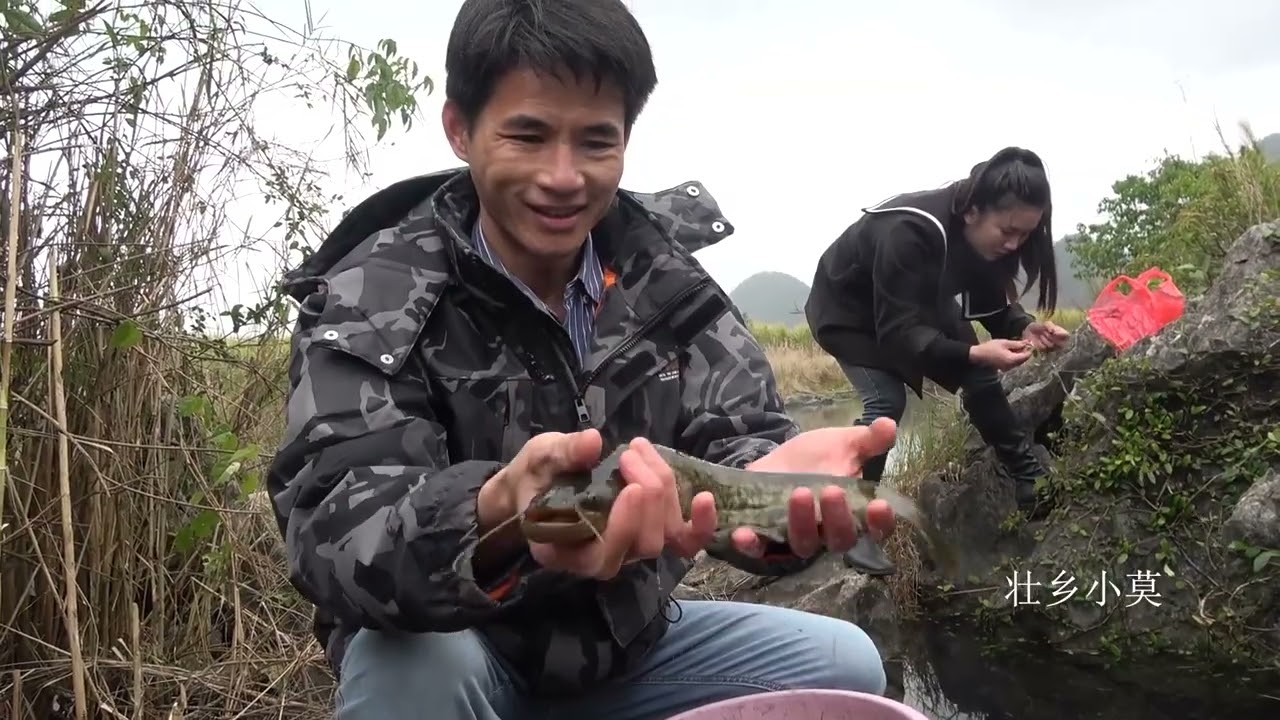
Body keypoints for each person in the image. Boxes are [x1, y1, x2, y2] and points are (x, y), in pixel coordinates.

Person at [265, 1, 903, 718]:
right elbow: (334, 534)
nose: (564, 177)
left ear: (627, 139)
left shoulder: (670, 286)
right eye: (528, 135)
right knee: (406, 664)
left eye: (596, 142)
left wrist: (777, 492)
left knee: (847, 664)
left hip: (626, 650)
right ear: (459, 129)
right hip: (462, 652)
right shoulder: (371, 294)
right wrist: (498, 514)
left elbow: (744, 437)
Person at [803, 147, 1071, 577]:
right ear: (972, 212)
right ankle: (852, 523)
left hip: (914, 302)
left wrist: (1022, 325)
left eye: (1025, 235)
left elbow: (986, 299)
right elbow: (898, 334)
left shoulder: (982, 238)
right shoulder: (909, 232)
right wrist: (970, 350)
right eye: (1007, 231)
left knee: (979, 375)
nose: (1014, 244)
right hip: (850, 313)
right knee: (885, 406)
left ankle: (1027, 476)